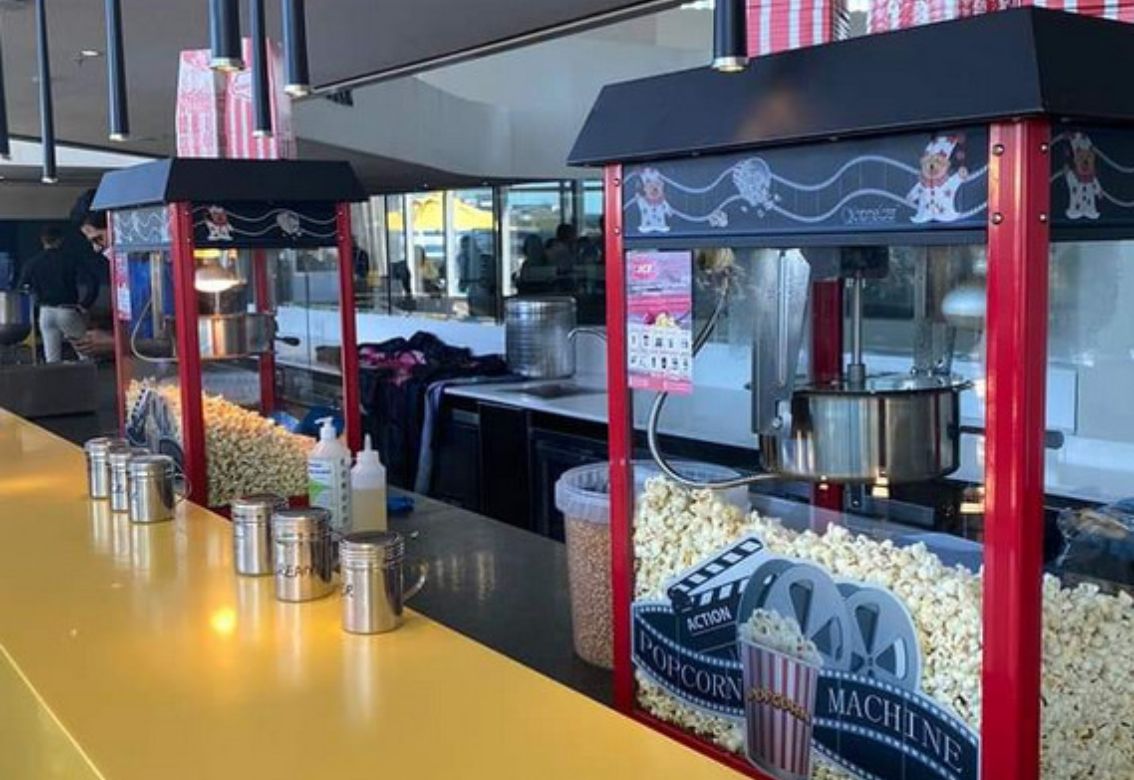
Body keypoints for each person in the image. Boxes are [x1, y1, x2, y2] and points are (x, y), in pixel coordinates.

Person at [19, 226, 100, 363]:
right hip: (67, 310)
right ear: (61, 240)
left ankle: (54, 383)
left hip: (45, 312)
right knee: (86, 353)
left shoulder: (32, 263)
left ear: (42, 241)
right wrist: (85, 304)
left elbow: (22, 288)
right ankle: (89, 381)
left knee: (52, 359)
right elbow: (92, 282)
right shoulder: (70, 259)